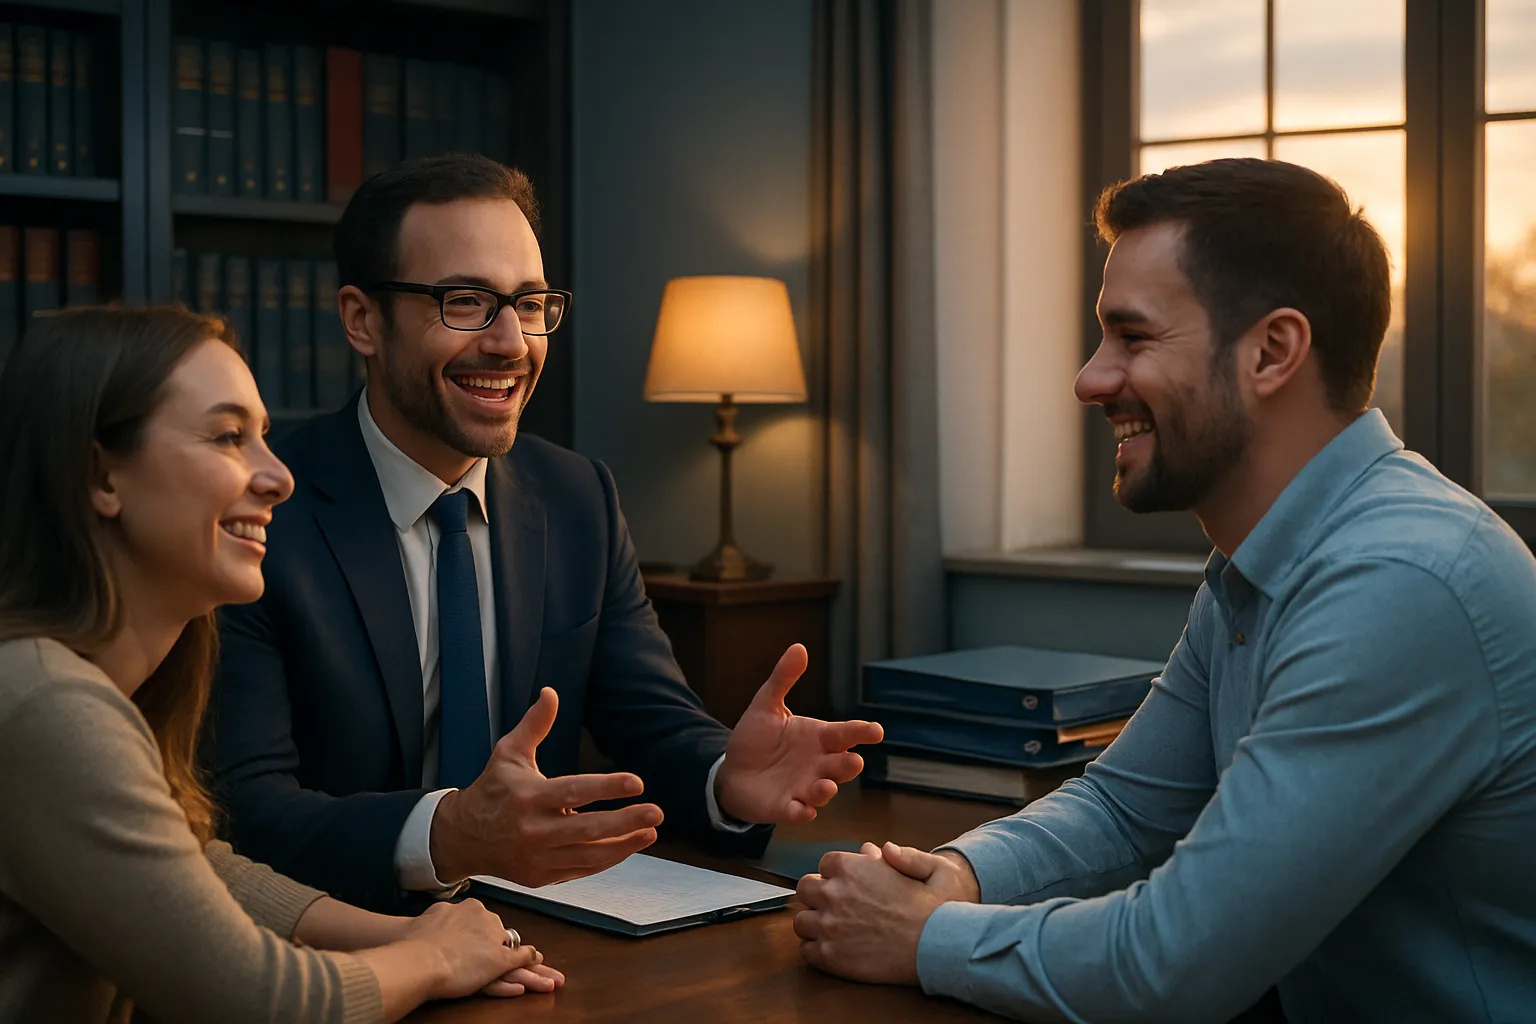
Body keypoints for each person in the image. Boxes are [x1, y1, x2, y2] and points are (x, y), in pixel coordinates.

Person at [793, 158, 1536, 1021]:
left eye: (1133, 338)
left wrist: (923, 937)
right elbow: (1125, 809)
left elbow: (1178, 962)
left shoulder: (1401, 582)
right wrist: (956, 875)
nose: (1090, 380)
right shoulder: (1259, 565)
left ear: (1272, 352)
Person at [208, 153, 883, 913]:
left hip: (543, 932)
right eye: (465, 301)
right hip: (338, 933)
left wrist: (725, 779)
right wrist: (446, 836)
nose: (510, 342)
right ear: (363, 320)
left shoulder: (576, 496)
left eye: (529, 305)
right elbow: (246, 808)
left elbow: (652, 723)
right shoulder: (260, 510)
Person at [0, 307, 563, 1023]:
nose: (278, 477)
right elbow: (265, 1003)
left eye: (263, 437)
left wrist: (411, 935)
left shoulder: (84, 686)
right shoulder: (46, 705)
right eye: (228, 437)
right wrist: (436, 958)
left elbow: (198, 866)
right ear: (101, 474)